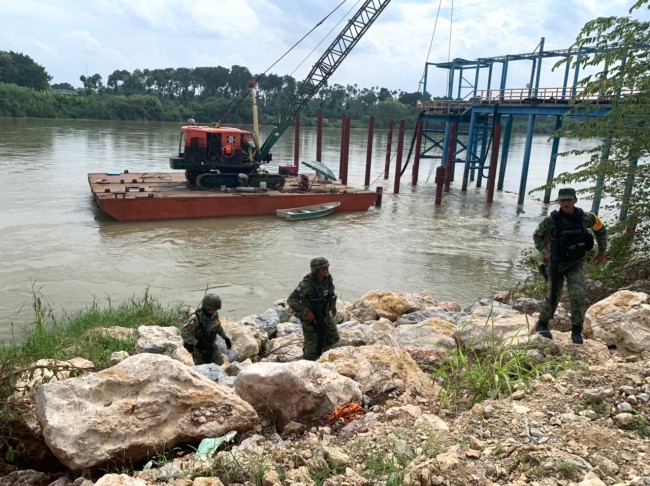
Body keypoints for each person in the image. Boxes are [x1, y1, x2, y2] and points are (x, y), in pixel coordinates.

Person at [532, 188, 607, 344]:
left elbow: (601, 230)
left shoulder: (586, 218)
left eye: (568, 200)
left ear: (575, 200)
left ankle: (576, 330)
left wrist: (601, 252)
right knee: (554, 295)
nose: (566, 203)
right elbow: (537, 236)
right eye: (562, 200)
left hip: (576, 262)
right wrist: (546, 252)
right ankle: (542, 324)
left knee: (577, 294)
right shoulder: (551, 220)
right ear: (558, 202)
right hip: (556, 264)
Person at [287, 257, 340, 360]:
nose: (326, 270)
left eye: (327, 267)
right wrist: (306, 312)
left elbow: (330, 292)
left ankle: (322, 355)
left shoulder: (328, 278)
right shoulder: (306, 284)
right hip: (311, 318)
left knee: (334, 338)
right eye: (323, 268)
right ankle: (307, 363)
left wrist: (333, 306)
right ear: (316, 270)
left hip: (324, 314)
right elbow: (292, 300)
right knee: (312, 349)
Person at [181, 293, 231, 365]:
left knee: (219, 362)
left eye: (215, 309)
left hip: (210, 343)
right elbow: (184, 333)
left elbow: (217, 326)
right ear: (207, 308)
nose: (214, 311)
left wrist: (225, 337)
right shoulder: (195, 319)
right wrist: (196, 343)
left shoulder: (214, 314)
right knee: (201, 365)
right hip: (198, 347)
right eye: (213, 309)